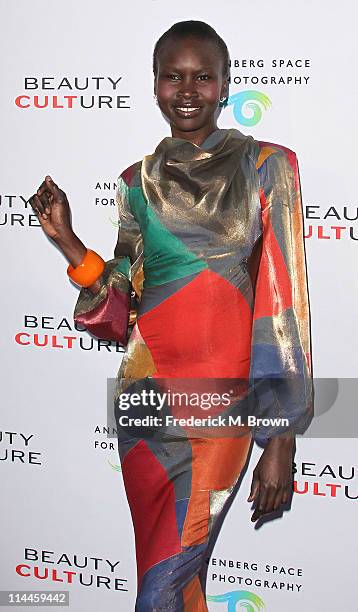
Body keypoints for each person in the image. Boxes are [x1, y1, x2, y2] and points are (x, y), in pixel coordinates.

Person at [30, 19, 313, 612]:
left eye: (202, 77)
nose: (187, 90)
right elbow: (121, 305)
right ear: (155, 85)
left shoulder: (267, 167)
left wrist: (280, 435)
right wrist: (69, 243)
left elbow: (283, 303)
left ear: (225, 84)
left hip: (224, 403)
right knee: (176, 583)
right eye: (173, 76)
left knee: (158, 586)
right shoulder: (136, 184)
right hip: (146, 401)